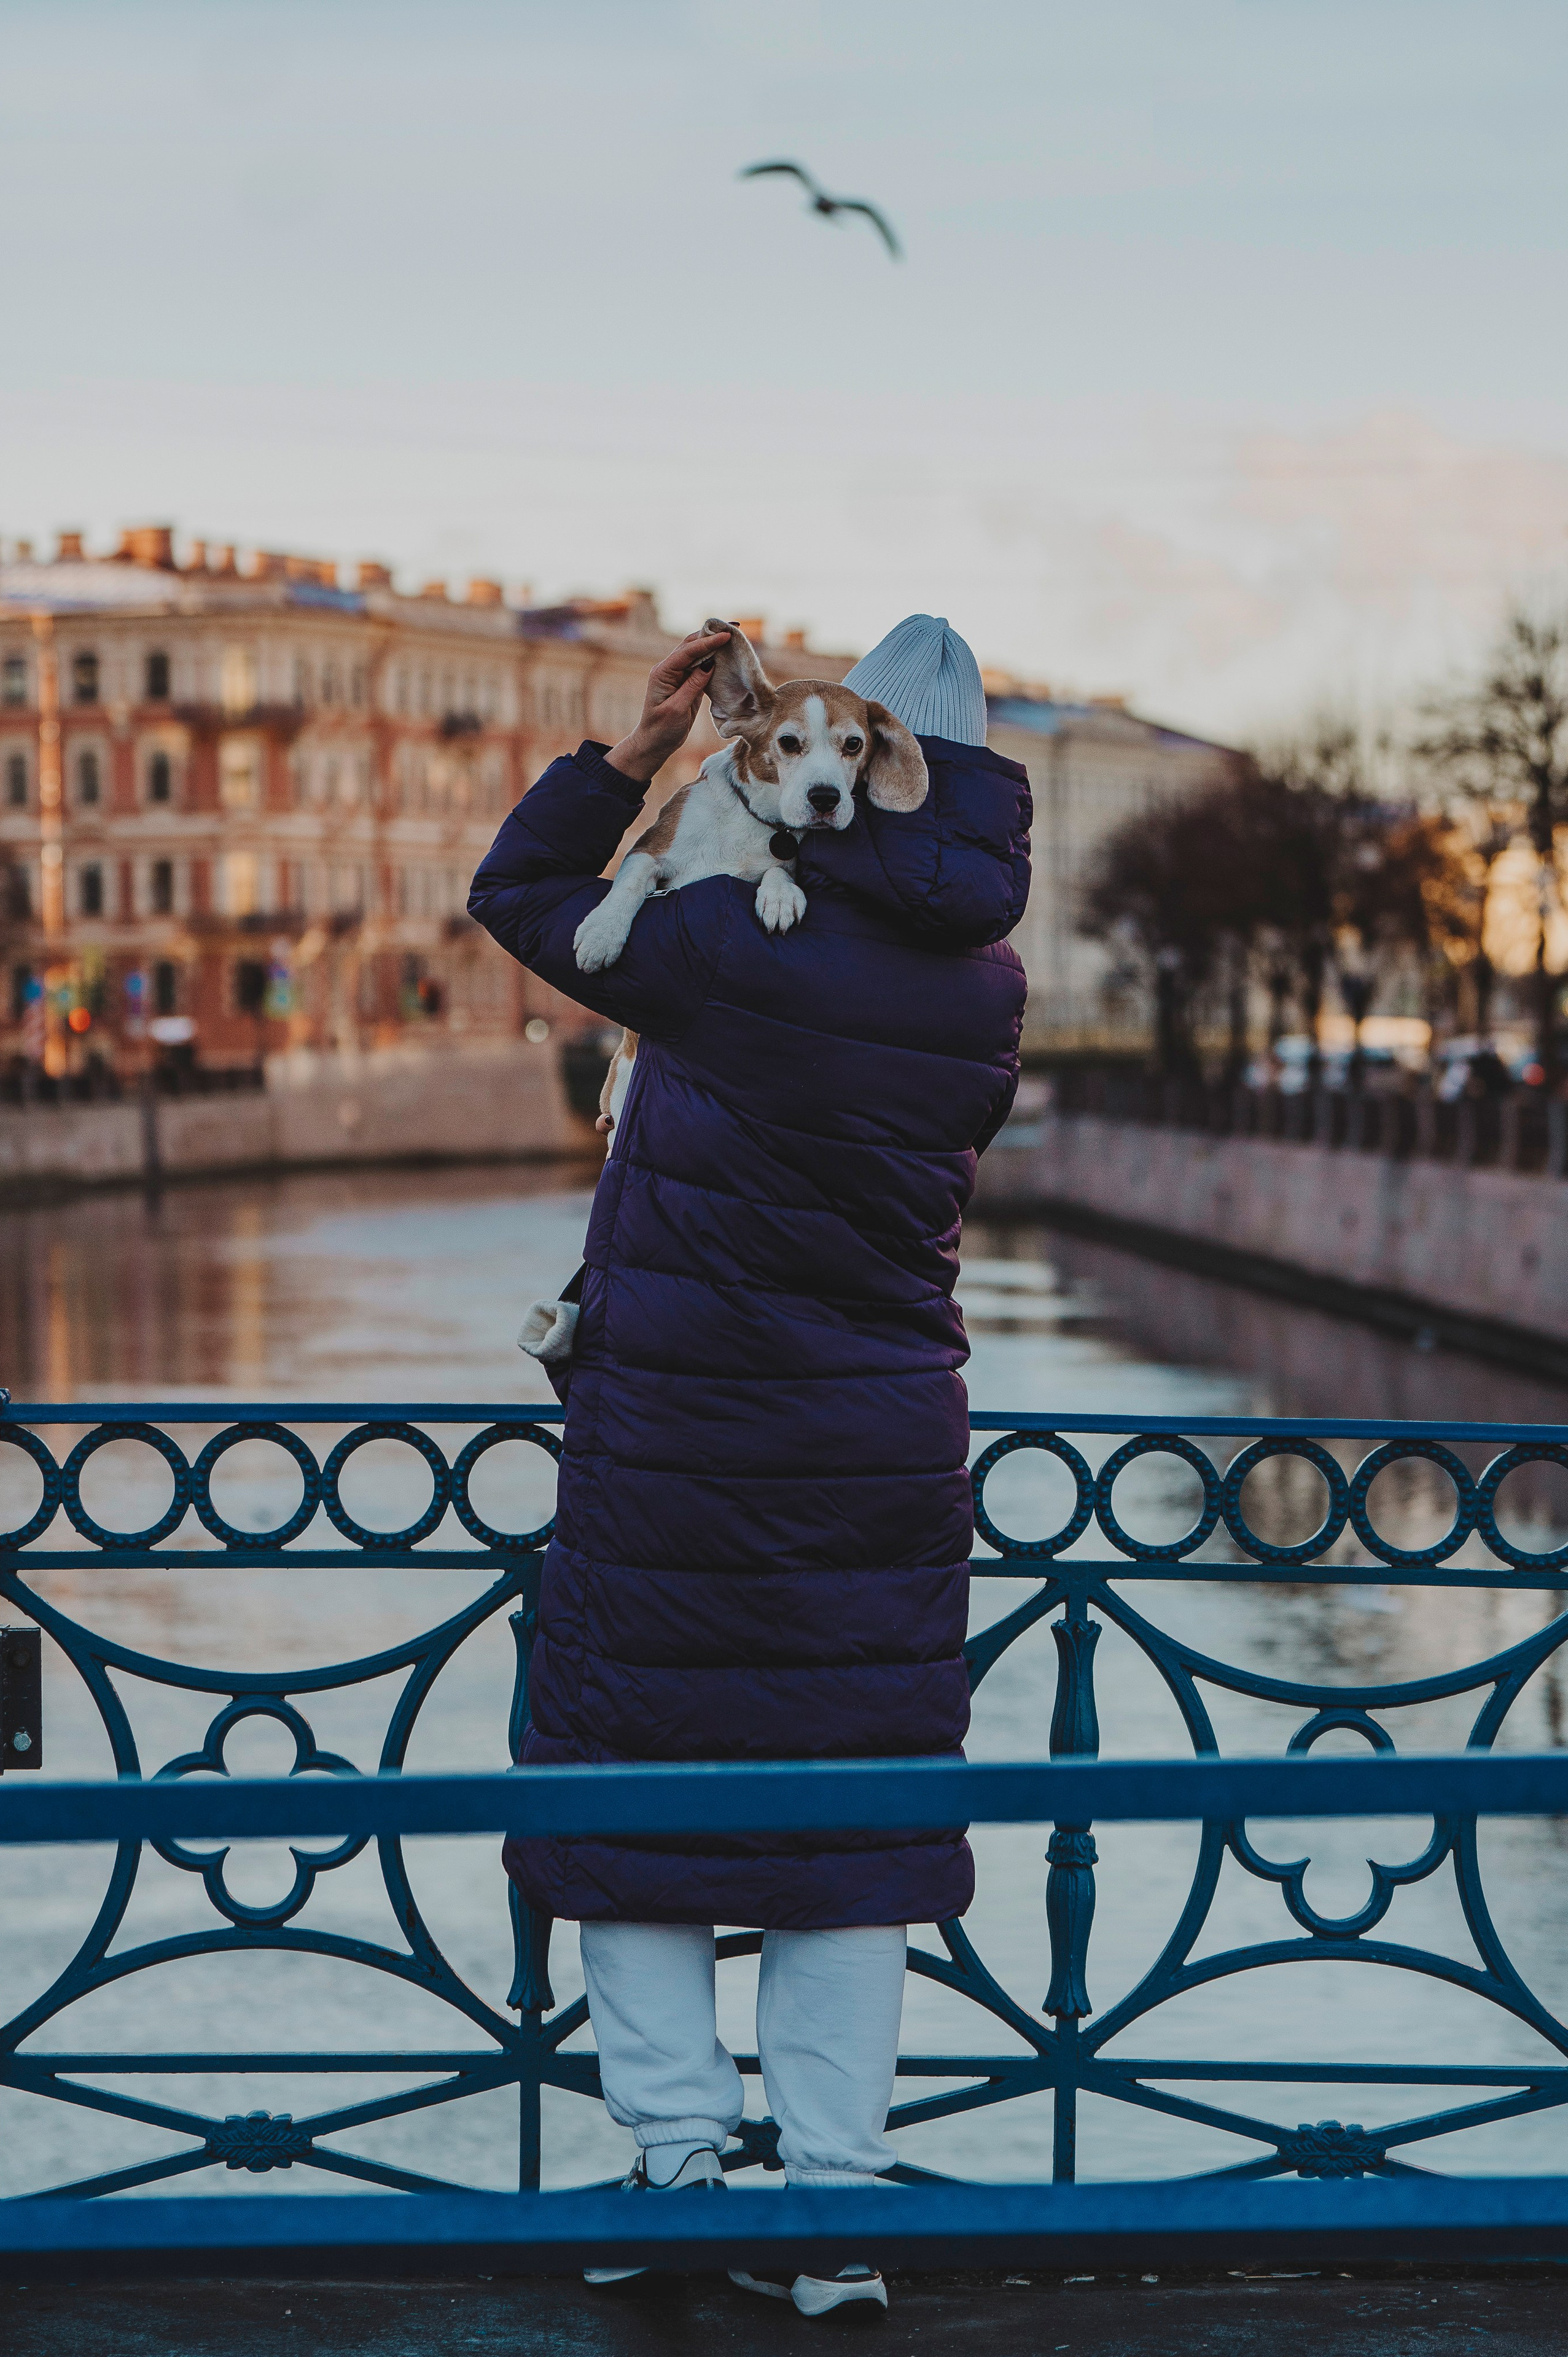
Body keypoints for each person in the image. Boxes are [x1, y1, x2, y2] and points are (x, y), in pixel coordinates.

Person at [467, 614, 1029, 2318]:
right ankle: (838, 2211)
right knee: (847, 1831)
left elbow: (520, 896)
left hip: (681, 1443)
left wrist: (636, 756)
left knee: (631, 1797)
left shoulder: (720, 942)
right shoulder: (989, 981)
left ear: (864, 754)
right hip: (879, 1453)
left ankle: (678, 2165)